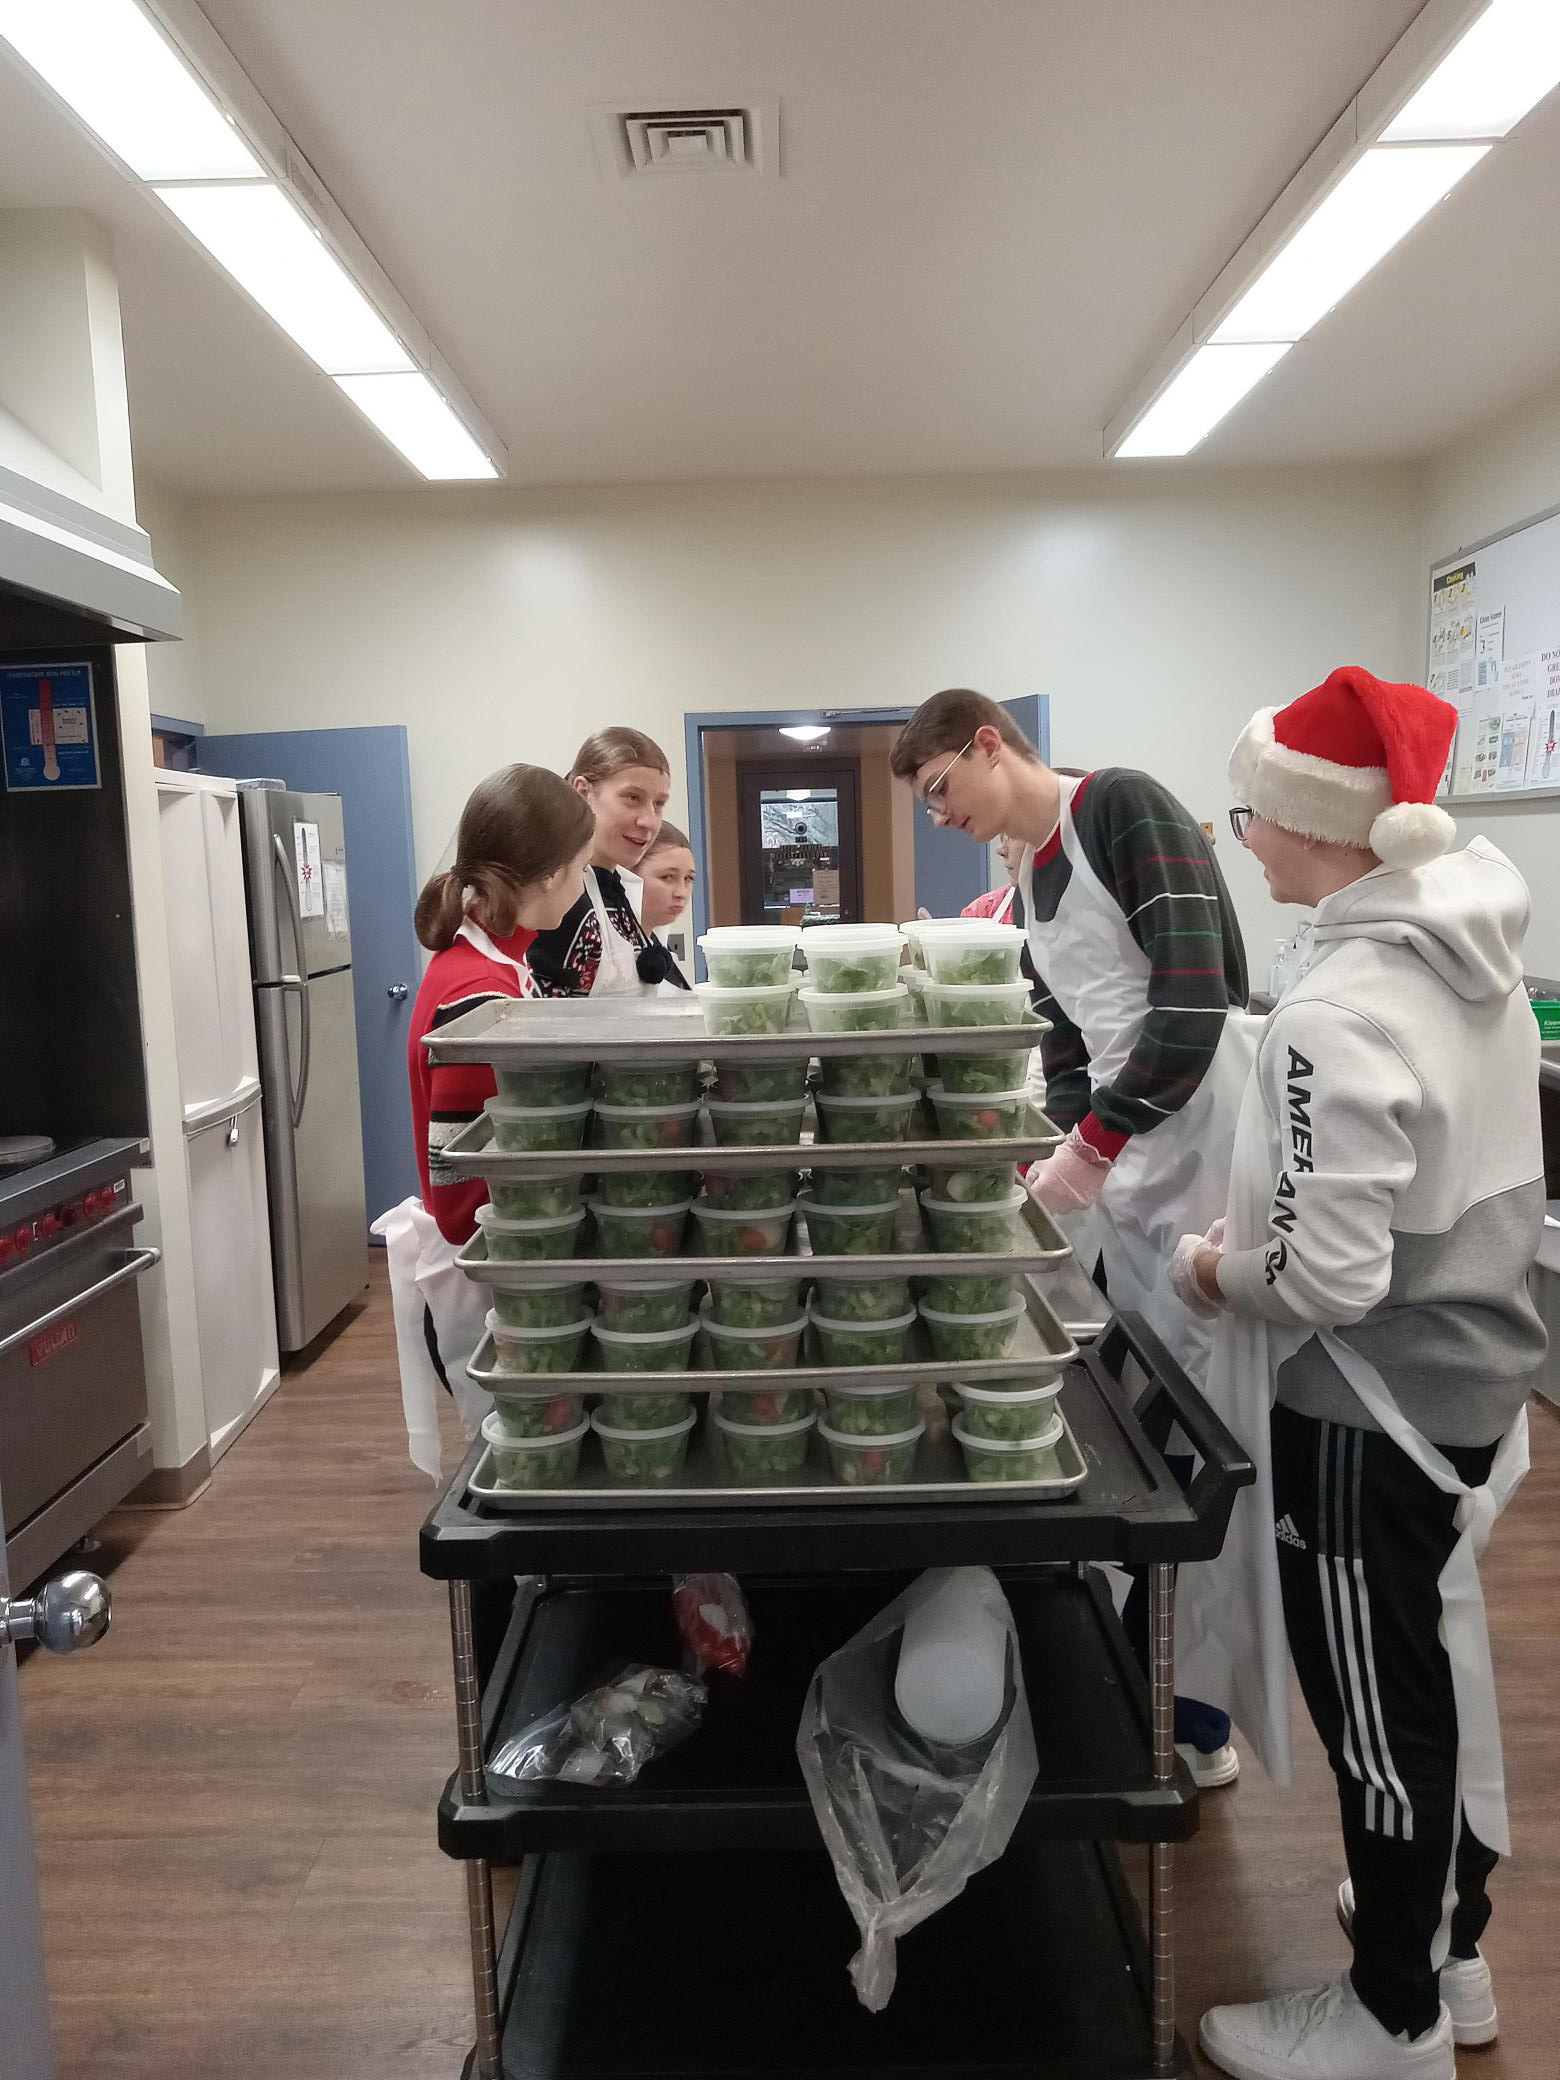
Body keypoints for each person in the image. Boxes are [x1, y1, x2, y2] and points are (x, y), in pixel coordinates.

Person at [1175, 667, 1545, 2080]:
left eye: (1249, 817)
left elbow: (1328, 1279)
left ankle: (1385, 2019)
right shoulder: (1473, 952)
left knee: (1380, 1712)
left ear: (1311, 825)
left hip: (1372, 1408)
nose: (1244, 843)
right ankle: (1449, 1955)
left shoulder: (1343, 1008)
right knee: (1441, 1675)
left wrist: (1219, 1268)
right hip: (1473, 1379)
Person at [891, 689, 1262, 1787]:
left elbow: (1193, 1001)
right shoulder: (1030, 866)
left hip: (1203, 1150)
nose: (940, 815)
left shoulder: (1122, 810)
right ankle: (1129, 1667)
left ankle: (1192, 1715)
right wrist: (1042, 1134)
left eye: (940, 790)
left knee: (1203, 1439)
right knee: (1144, 1412)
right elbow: (1070, 1031)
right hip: (1138, 1160)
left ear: (988, 743)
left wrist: (1093, 1142)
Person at [373, 766, 594, 1478]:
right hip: (486, 1277)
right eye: (584, 868)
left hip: (502, 1262)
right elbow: (464, 1193)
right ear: (554, 873)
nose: (587, 886)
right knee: (518, 1473)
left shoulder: (497, 963)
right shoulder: (475, 993)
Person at [526, 726, 677, 996]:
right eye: (633, 798)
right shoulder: (556, 896)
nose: (649, 821)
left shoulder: (621, 887)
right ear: (582, 792)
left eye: (659, 803)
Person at [636, 821, 696, 989]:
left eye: (689, 879)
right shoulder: (604, 952)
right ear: (629, 875)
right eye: (668, 877)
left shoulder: (659, 951)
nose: (681, 893)